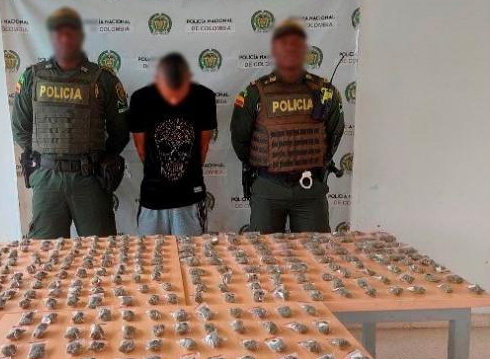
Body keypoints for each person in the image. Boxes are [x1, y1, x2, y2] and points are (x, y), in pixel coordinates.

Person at [11, 7, 129, 238]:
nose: (65, 38)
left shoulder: (103, 79)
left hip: (90, 179)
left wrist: (95, 159)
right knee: (45, 253)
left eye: (70, 32)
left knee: (101, 252)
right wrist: (46, 154)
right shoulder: (32, 77)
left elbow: (120, 132)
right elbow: (20, 129)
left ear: (80, 36)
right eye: (59, 33)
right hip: (47, 179)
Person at [230, 18, 345, 233]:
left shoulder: (326, 92)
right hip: (268, 187)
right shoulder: (254, 93)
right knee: (262, 251)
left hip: (309, 188)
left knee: (317, 251)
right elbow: (240, 139)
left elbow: (334, 134)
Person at [129, 53, 217, 235]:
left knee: (191, 252)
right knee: (151, 253)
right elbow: (141, 149)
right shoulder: (140, 99)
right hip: (153, 199)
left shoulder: (204, 97)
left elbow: (203, 147)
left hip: (190, 199)